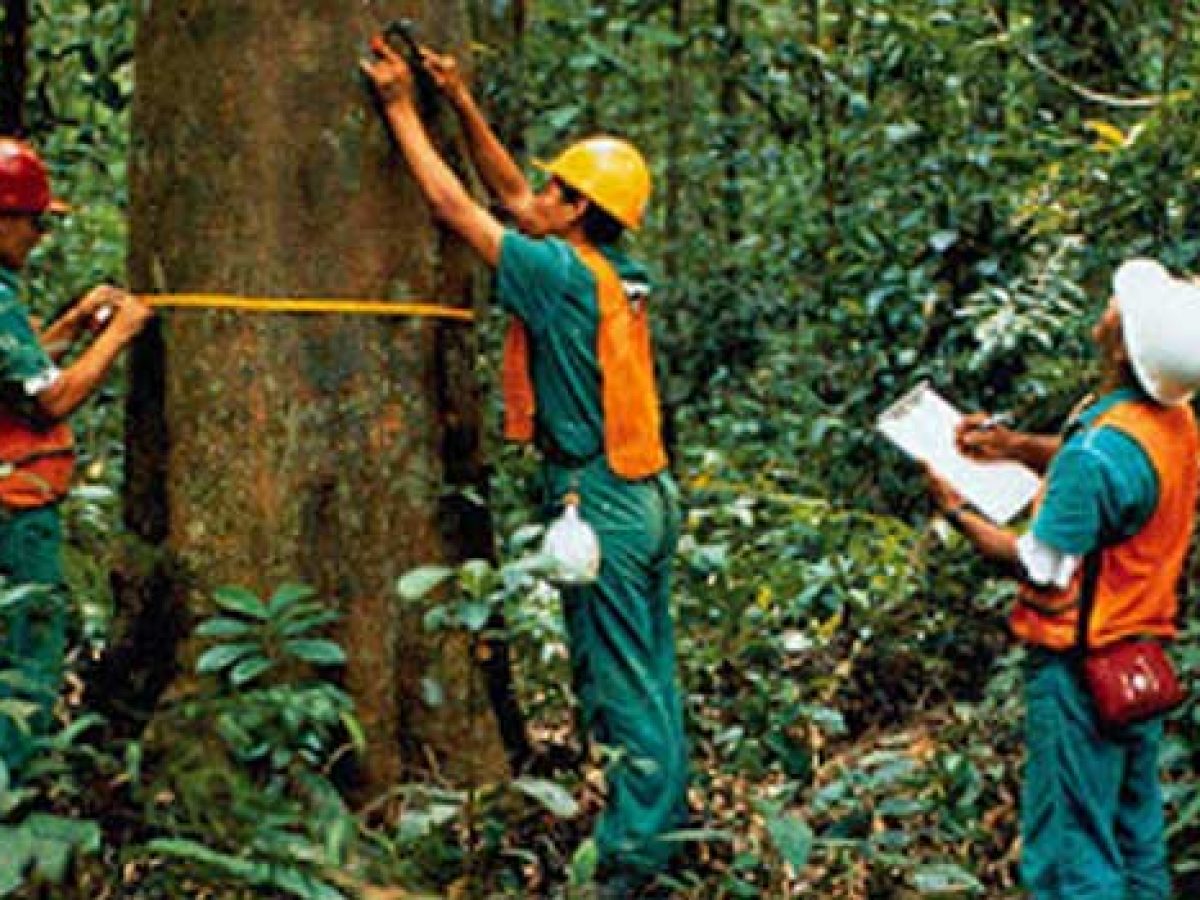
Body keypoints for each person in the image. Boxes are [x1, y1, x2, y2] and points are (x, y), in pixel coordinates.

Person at [361, 38, 688, 890]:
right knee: (649, 673)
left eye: (555, 191)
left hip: (604, 501)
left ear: (578, 211)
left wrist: (400, 108)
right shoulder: (615, 268)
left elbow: (457, 208)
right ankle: (662, 834)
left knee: (621, 685)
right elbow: (510, 194)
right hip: (646, 493)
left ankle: (633, 865)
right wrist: (461, 101)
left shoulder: (554, 276)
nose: (534, 197)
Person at [925, 257, 1200, 899]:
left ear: (1127, 346)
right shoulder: (1173, 425)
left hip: (1079, 672)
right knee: (1134, 840)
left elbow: (1040, 566)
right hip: (1139, 658)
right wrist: (1015, 446)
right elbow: (1104, 461)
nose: (1106, 311)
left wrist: (957, 508)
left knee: (1072, 854)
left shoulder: (1095, 457)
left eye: (1116, 311)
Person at [0, 138, 153, 777]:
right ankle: (17, 802)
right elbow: (47, 400)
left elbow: (17, 371)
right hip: (14, 511)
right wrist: (119, 333)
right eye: (34, 222)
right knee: (26, 662)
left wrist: (75, 322)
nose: (38, 236)